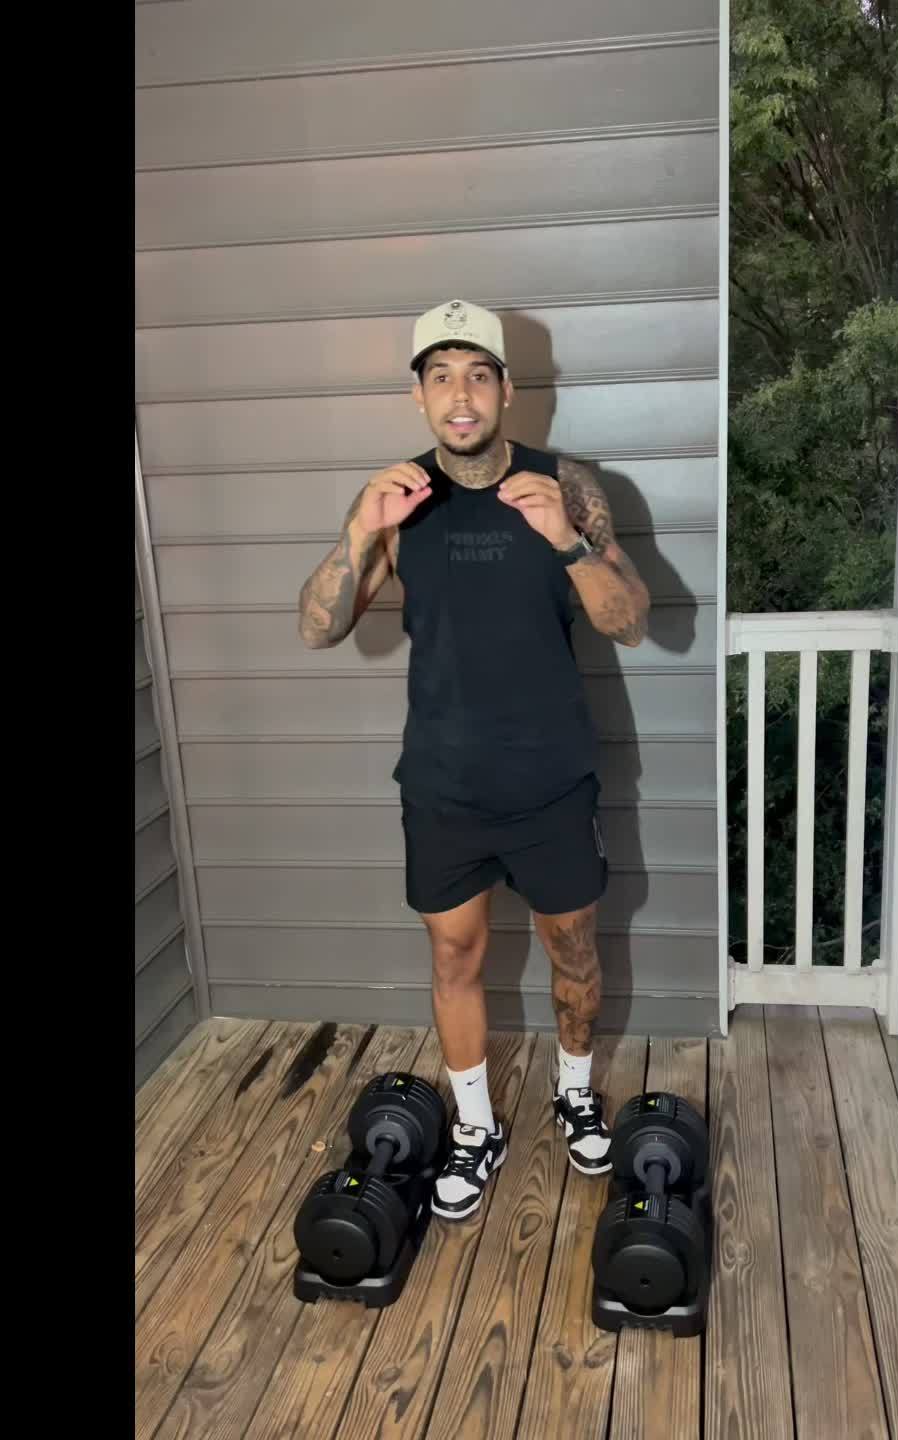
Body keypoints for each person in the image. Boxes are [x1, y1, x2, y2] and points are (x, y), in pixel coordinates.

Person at [298, 299, 651, 1220]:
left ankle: (575, 1089)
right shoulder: (397, 495)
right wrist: (358, 535)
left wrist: (566, 542)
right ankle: (475, 1124)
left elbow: (631, 618)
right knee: (454, 957)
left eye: (479, 374)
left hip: (550, 778)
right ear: (419, 395)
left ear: (506, 389)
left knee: (573, 950)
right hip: (444, 784)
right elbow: (317, 627)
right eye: (441, 375)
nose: (461, 395)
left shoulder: (565, 483)